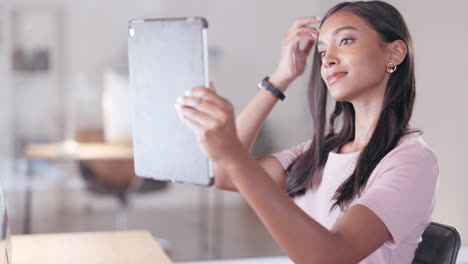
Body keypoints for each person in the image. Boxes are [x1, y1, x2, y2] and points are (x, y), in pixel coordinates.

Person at [174, 1, 439, 263]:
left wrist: (233, 154)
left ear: (393, 54)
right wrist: (281, 77)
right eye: (322, 52)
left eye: (345, 41)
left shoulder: (411, 160)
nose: (328, 61)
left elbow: (330, 257)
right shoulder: (319, 152)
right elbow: (222, 174)